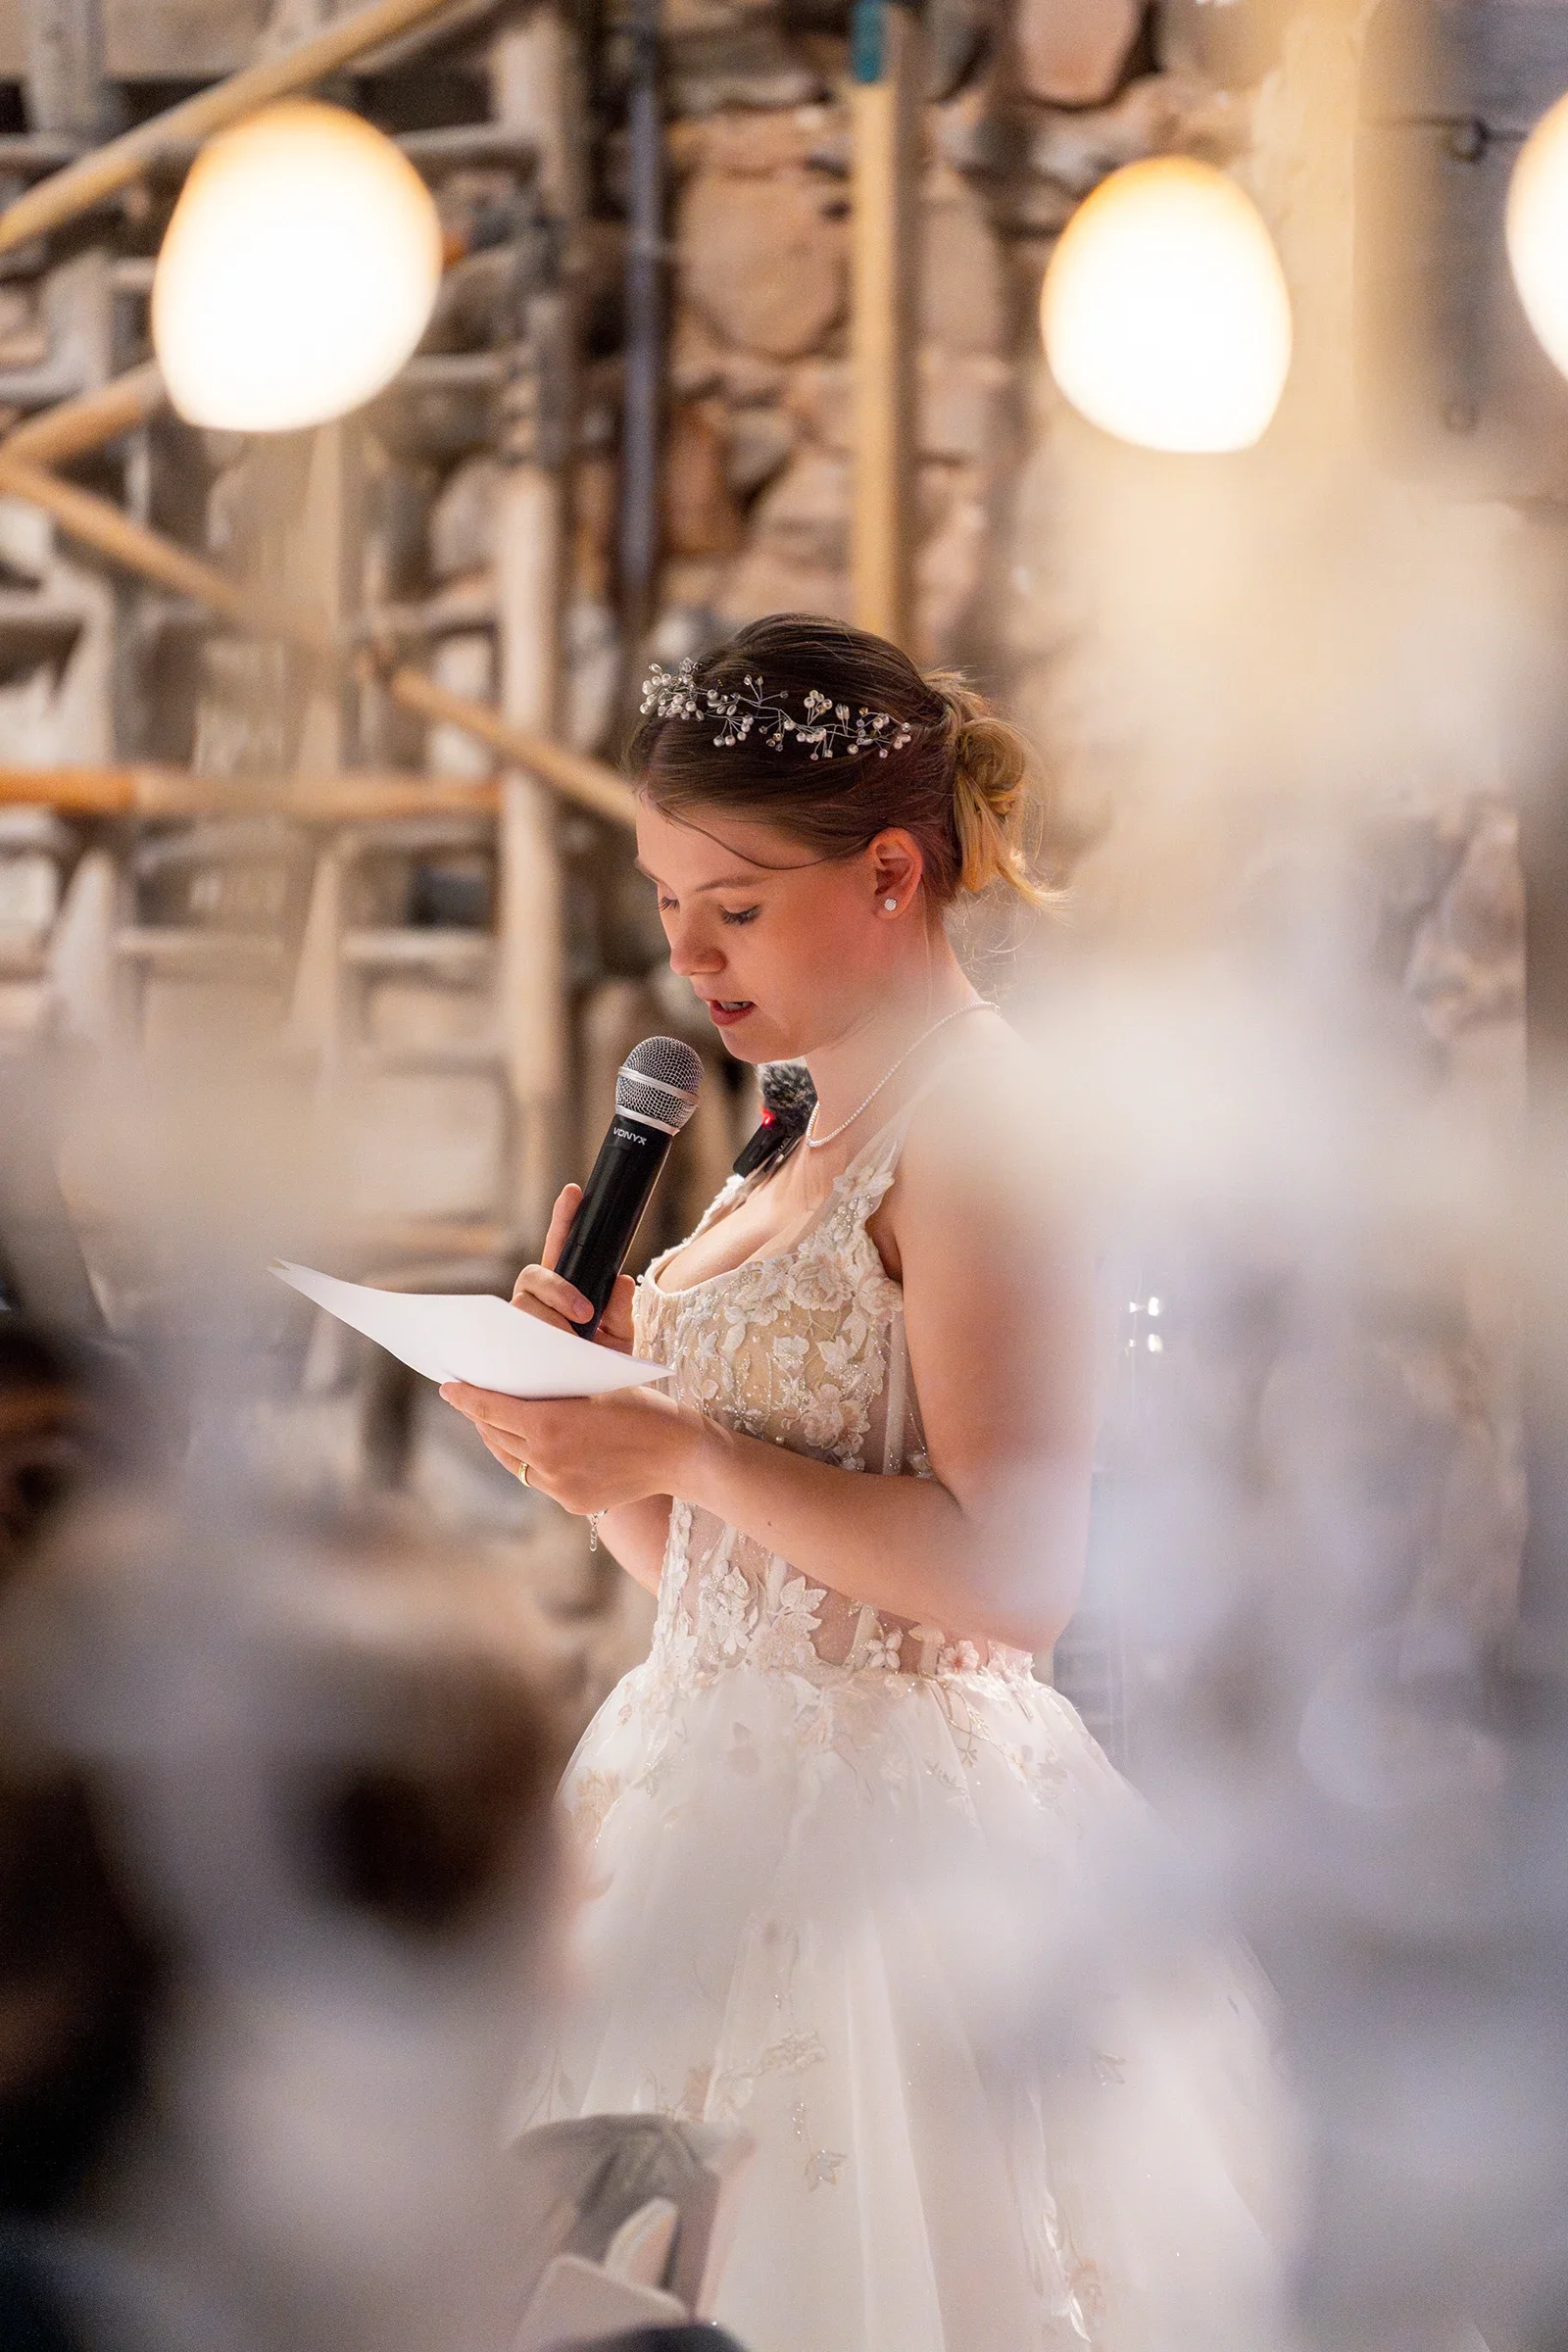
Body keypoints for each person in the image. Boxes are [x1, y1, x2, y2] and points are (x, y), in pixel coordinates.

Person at [439, 615, 1291, 2352]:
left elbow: (1013, 1581)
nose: (686, 953)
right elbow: (732, 1579)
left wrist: (681, 1441)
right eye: (666, 901)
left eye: (735, 908)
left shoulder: (978, 1125)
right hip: (690, 1788)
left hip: (901, 1856)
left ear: (892, 872)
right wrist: (581, 1433)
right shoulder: (799, 1114)